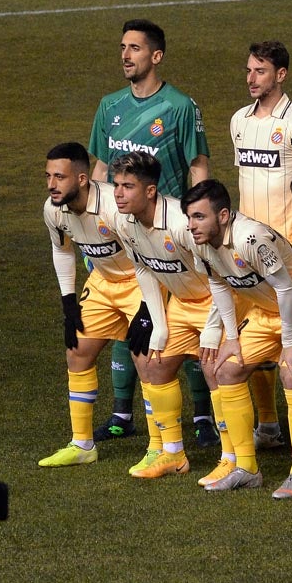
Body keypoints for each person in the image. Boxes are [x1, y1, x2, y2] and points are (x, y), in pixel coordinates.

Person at [88, 18, 215, 446]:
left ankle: (202, 418)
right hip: (124, 231)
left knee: (185, 320)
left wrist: (199, 221)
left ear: (156, 56)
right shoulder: (109, 106)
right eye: (123, 47)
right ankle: (123, 413)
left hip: (170, 234)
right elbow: (101, 171)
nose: (125, 55)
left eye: (135, 48)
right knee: (132, 321)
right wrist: (95, 227)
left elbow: (198, 166)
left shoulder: (180, 106)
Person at [182, 179, 292, 499]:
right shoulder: (199, 241)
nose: (192, 225)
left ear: (223, 215)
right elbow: (220, 285)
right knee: (227, 371)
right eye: (189, 217)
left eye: (199, 217)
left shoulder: (251, 238)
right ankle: (247, 469)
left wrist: (290, 343)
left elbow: (287, 288)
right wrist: (232, 337)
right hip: (266, 311)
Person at [231, 41, 292, 454]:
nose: (252, 78)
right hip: (250, 250)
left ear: (281, 75)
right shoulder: (238, 121)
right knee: (255, 327)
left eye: (260, 71)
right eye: (249, 70)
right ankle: (269, 425)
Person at [110, 151, 231, 483]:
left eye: (128, 186)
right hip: (180, 303)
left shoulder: (181, 224)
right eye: (117, 185)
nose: (118, 193)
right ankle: (173, 454)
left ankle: (231, 456)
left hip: (215, 301)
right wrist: (160, 326)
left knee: (215, 368)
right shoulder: (125, 222)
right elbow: (143, 269)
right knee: (154, 364)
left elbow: (220, 276)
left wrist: (212, 328)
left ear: (150, 191)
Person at [38, 142, 143, 468]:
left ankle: (164, 448)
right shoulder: (54, 209)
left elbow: (146, 257)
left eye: (60, 176)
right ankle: (83, 445)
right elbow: (63, 250)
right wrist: (68, 301)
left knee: (149, 359)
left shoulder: (116, 207)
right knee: (77, 351)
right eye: (48, 176)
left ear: (82, 179)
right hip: (102, 281)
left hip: (141, 279)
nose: (51, 184)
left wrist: (147, 309)